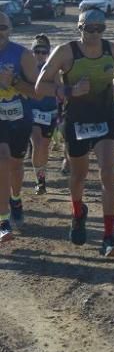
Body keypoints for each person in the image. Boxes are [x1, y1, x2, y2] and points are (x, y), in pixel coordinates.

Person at [36, 9, 114, 258]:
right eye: (91, 29)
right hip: (76, 121)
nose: (96, 34)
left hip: (104, 118)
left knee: (108, 173)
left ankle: (109, 237)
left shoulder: (113, 49)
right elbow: (40, 86)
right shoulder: (65, 52)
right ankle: (78, 213)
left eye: (101, 29)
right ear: (80, 28)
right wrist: (69, 91)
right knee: (79, 176)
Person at [0, 14, 40, 243]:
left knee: (15, 165)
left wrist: (14, 81)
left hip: (19, 117)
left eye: (3, 27)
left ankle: (15, 198)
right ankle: (3, 220)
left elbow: (37, 91)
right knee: (2, 159)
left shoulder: (22, 54)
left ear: (11, 29)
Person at [27, 36, 57, 195]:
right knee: (37, 143)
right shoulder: (27, 68)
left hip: (50, 113)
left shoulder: (53, 69)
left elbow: (61, 89)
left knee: (44, 147)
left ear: (48, 53)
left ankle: (42, 174)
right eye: (36, 51)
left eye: (43, 52)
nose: (40, 55)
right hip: (32, 113)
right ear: (32, 52)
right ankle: (39, 180)